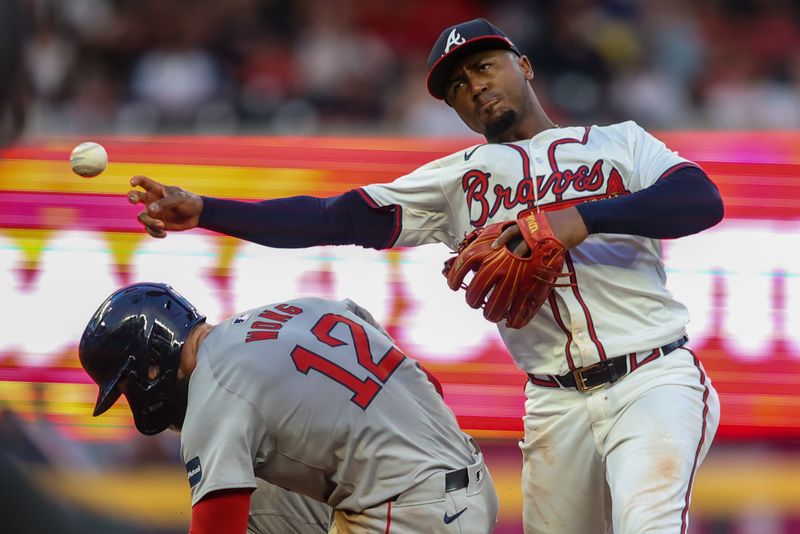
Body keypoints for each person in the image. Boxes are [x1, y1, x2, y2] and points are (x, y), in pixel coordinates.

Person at [125, 18, 723, 534]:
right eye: (458, 86)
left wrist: (583, 217)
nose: (476, 87)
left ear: (526, 66)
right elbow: (335, 216)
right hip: (554, 402)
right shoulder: (456, 179)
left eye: (485, 66)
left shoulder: (618, 143)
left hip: (651, 375)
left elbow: (700, 201)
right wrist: (208, 210)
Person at [79, 282, 498, 534]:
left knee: (237, 490)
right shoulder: (301, 307)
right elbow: (430, 386)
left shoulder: (212, 394)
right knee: (260, 487)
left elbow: (217, 528)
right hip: (468, 480)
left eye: (130, 386)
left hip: (414, 516)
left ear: (152, 361)